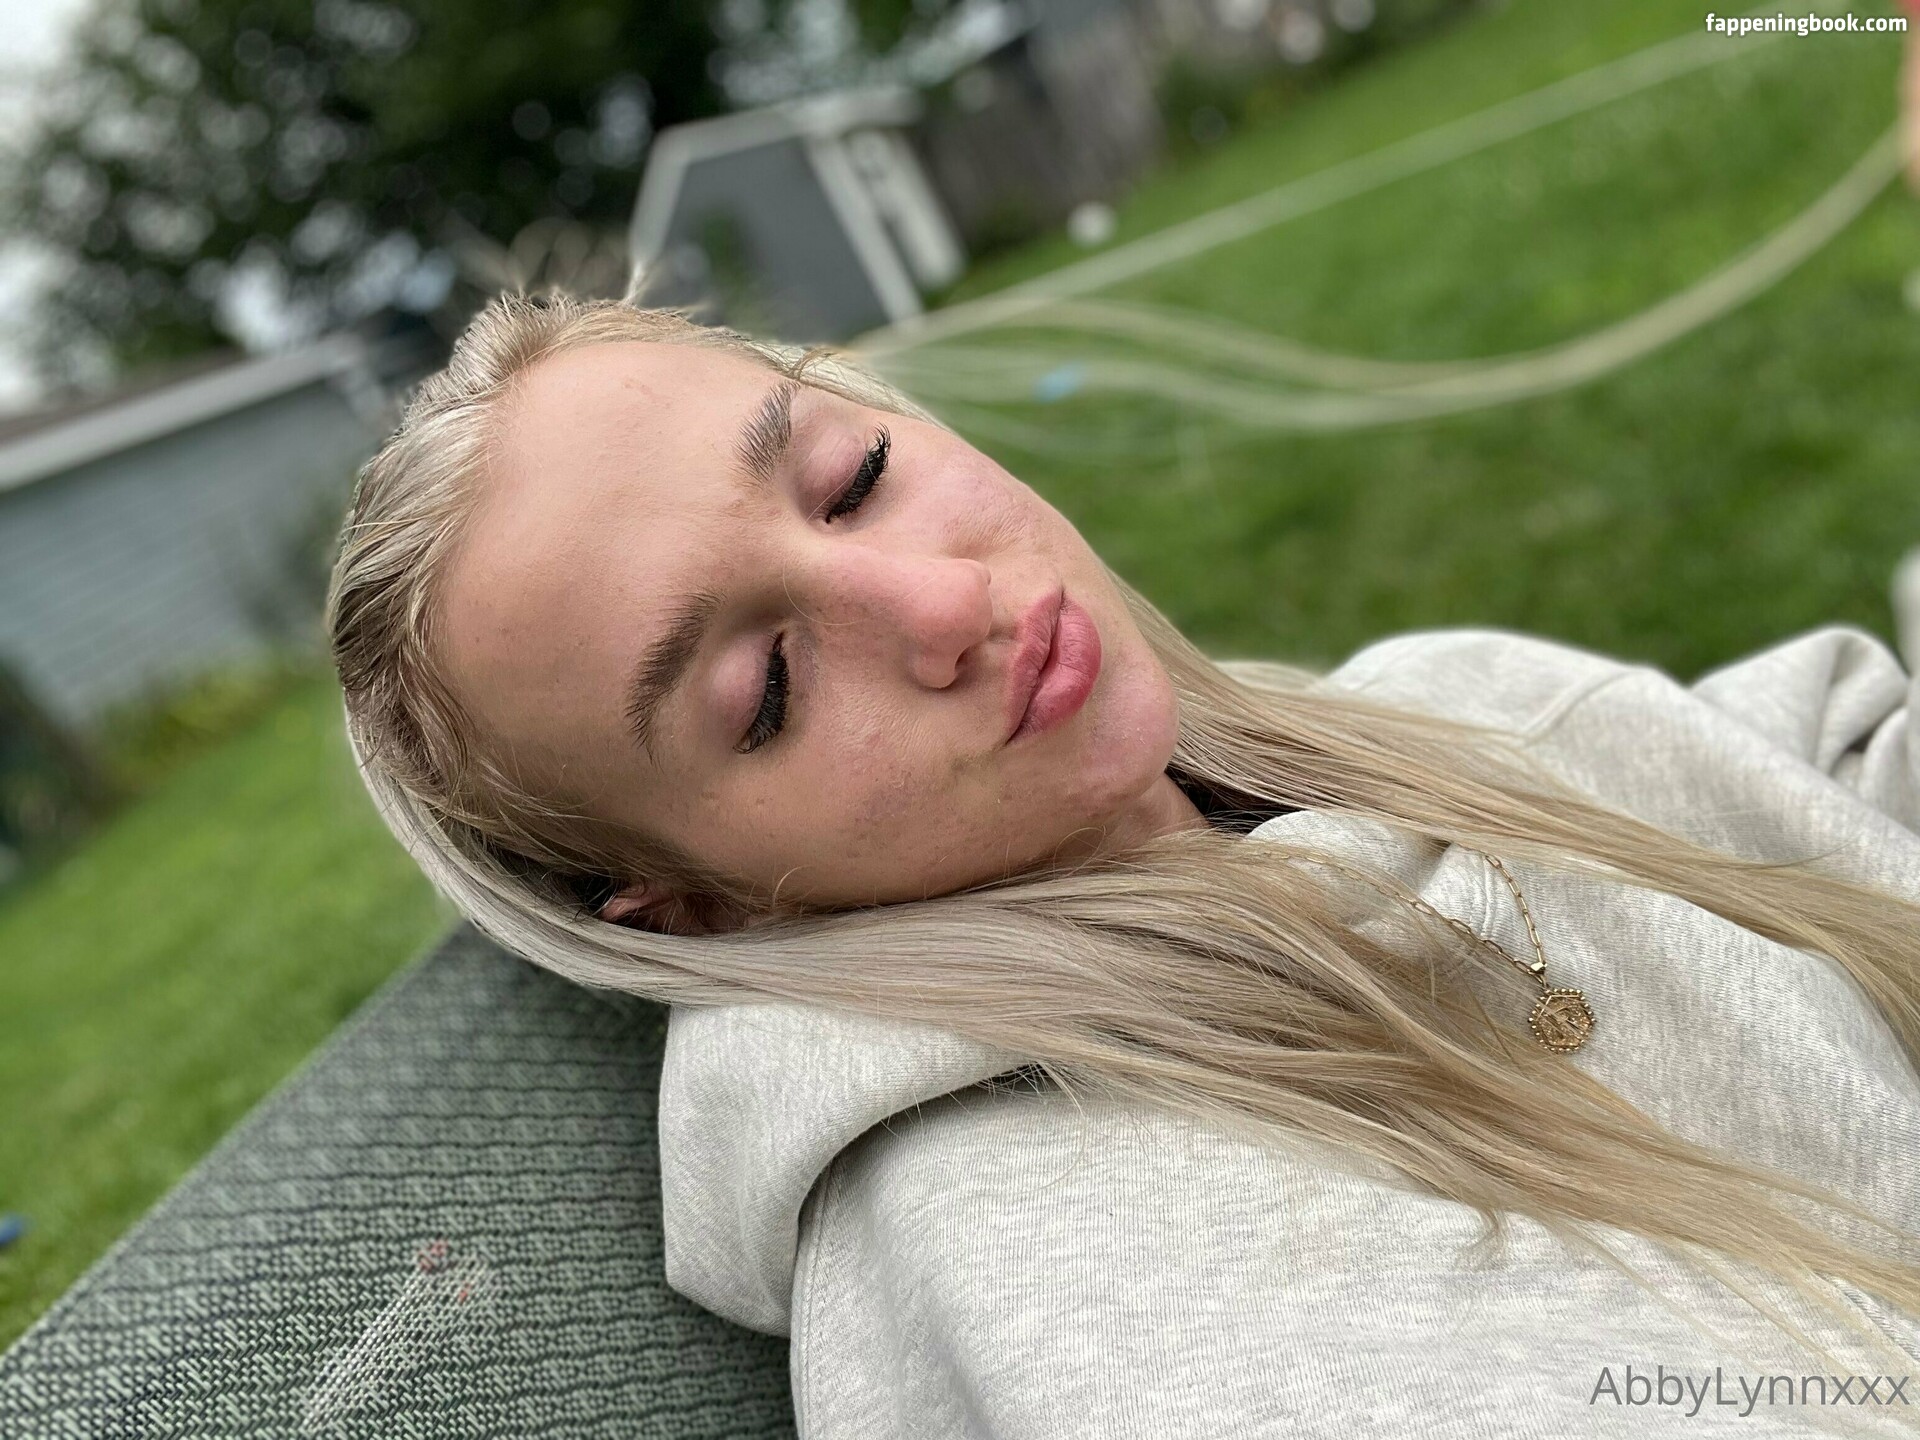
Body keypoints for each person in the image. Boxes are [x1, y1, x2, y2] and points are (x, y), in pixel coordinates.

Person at [327, 287, 1920, 1438]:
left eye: (854, 479)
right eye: (769, 692)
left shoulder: (1426, 710)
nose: (941, 606)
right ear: (696, 908)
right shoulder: (1064, 1257)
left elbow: (1842, 785)